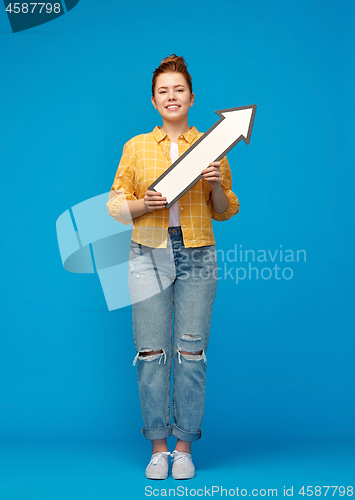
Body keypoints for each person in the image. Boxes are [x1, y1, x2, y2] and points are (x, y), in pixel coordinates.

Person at [106, 55, 239, 480]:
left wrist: (215, 184)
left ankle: (184, 446)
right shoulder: (136, 147)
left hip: (198, 253)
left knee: (191, 353)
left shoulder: (212, 145)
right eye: (163, 90)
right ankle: (158, 447)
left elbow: (223, 211)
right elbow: (113, 205)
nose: (171, 96)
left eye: (178, 89)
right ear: (153, 100)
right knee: (151, 353)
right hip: (147, 251)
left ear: (191, 97)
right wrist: (143, 203)